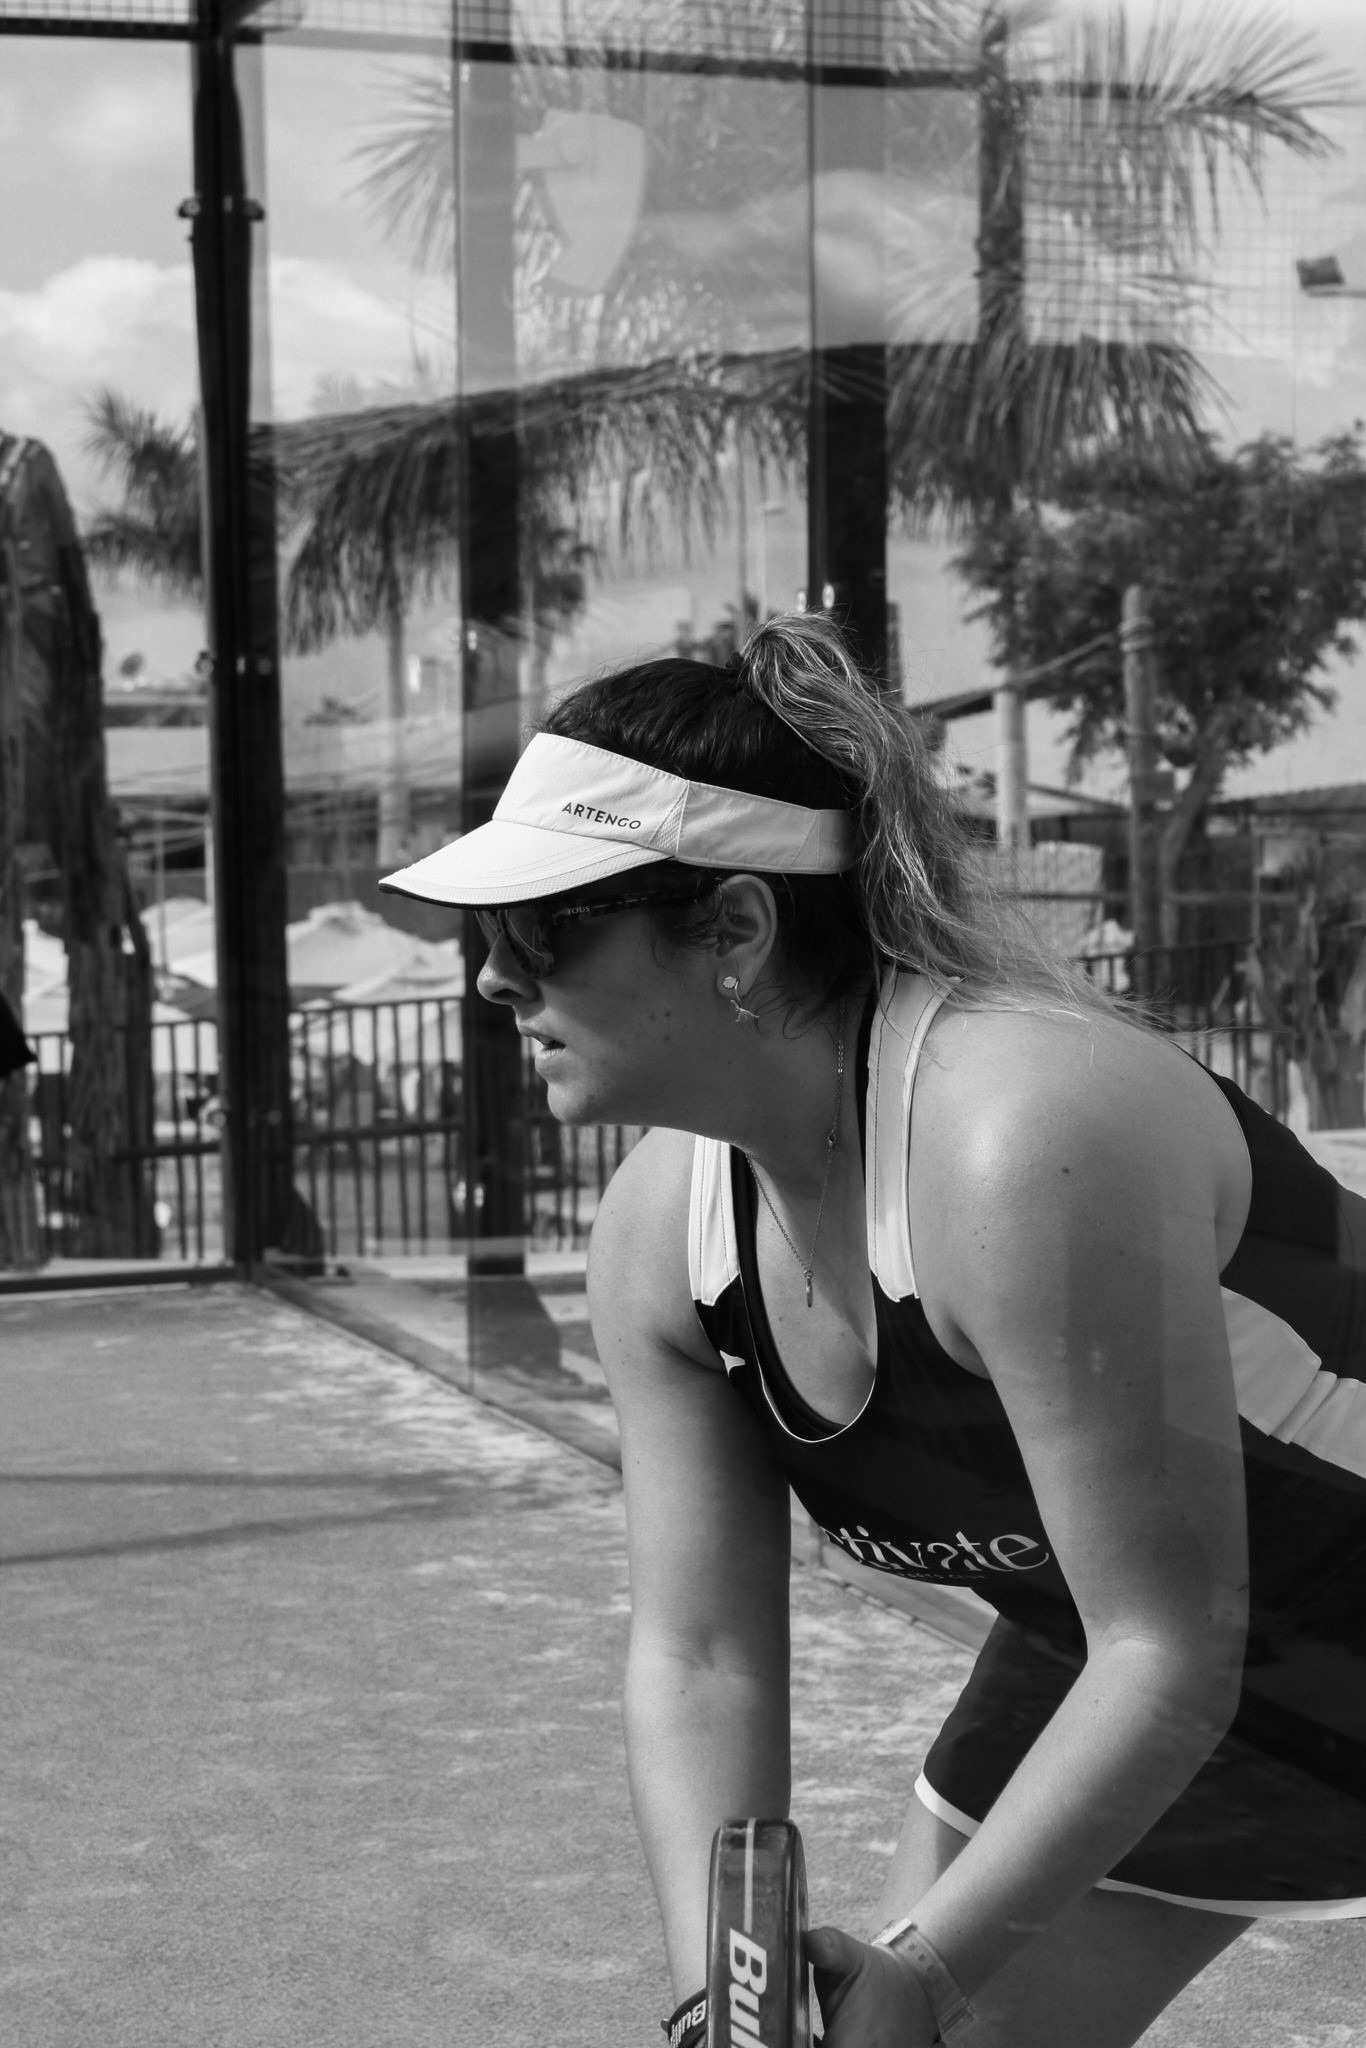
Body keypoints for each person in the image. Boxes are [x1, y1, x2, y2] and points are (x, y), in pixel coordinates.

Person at [381, 612, 1366, 2048]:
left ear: (735, 928)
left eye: (543, 928)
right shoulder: (661, 1239)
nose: (492, 977)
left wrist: (923, 1969)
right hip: (1156, 1638)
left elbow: (1170, 1645)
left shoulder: (1023, 1136)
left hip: (1185, 1636)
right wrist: (732, 1999)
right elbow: (701, 1652)